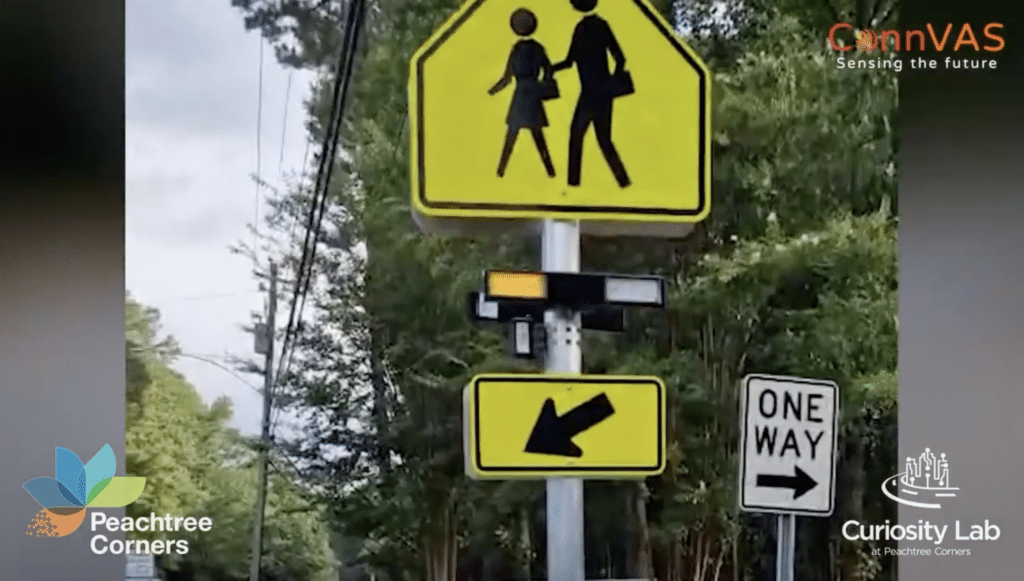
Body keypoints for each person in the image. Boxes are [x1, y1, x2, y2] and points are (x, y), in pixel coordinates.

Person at [552, 0, 631, 188]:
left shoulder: (590, 27)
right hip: (595, 94)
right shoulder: (587, 27)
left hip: (595, 94)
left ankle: (576, 183)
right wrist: (552, 68)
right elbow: (571, 61)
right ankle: (621, 182)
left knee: (584, 137)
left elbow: (619, 58)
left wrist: (611, 84)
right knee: (596, 139)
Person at [488, 8, 557, 178]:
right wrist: (544, 85)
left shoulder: (517, 49)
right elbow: (548, 69)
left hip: (521, 96)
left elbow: (507, 78)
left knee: (514, 135)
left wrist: (492, 91)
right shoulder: (536, 48)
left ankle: (501, 171)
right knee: (535, 136)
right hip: (531, 94)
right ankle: (550, 171)